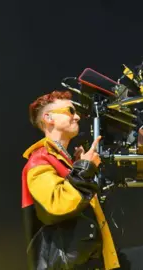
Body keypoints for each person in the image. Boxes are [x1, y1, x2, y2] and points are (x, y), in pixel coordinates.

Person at [21, 90, 120, 270]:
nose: (77, 117)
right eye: (70, 111)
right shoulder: (39, 160)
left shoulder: (65, 163)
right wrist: (85, 168)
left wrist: (78, 167)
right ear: (49, 118)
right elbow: (56, 204)